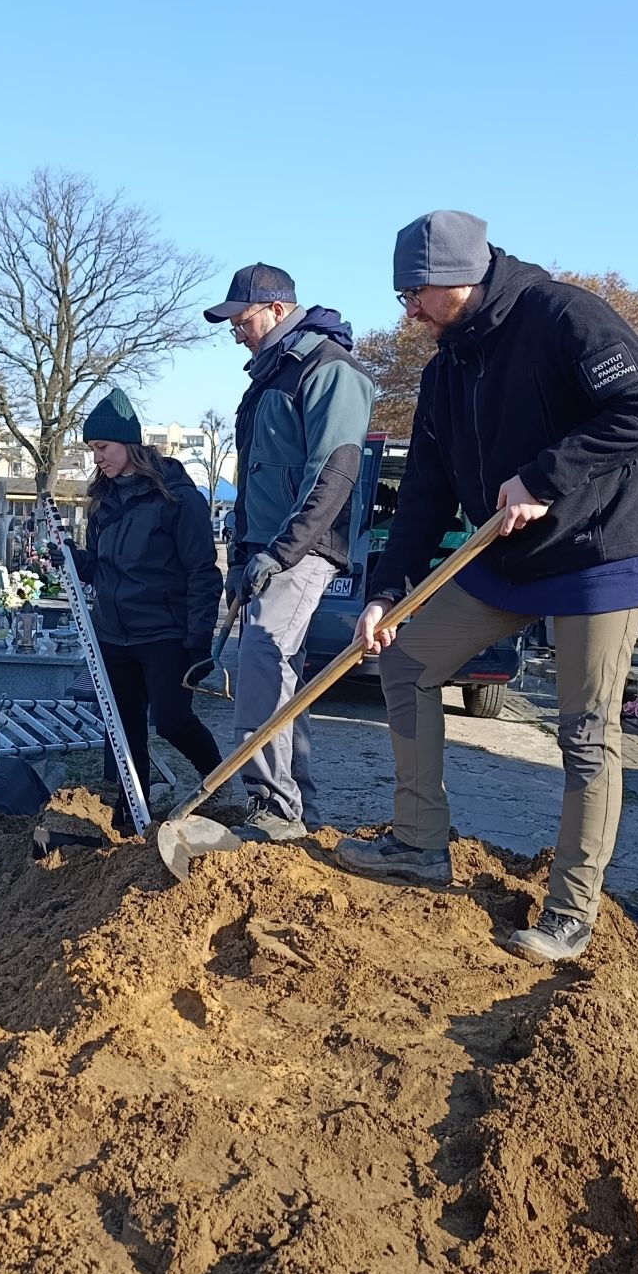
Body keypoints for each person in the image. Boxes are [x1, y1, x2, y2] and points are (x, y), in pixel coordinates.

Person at [345, 211, 638, 964]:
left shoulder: (561, 315)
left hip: (600, 556)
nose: (409, 312)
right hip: (506, 560)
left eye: (417, 295)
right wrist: (386, 593)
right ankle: (418, 843)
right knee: (403, 662)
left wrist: (544, 476)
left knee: (586, 733)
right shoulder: (446, 369)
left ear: (460, 280)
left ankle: (571, 912)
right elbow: (427, 490)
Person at [204, 263, 375, 841]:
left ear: (277, 309)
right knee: (280, 679)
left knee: (262, 666)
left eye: (241, 318)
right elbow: (256, 475)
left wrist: (281, 551)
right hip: (267, 550)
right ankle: (294, 806)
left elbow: (333, 471)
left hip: (301, 551)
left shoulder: (328, 370)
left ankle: (273, 807)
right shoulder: (269, 376)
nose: (234, 331)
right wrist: (241, 553)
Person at [74, 388, 224, 814]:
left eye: (102, 446)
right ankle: (130, 810)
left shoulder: (177, 499)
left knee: (174, 720)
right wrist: (72, 559)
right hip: (113, 635)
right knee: (123, 731)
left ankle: (218, 780)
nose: (96, 457)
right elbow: (101, 567)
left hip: (163, 633)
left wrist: (199, 642)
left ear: (129, 443)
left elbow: (202, 571)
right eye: (91, 449)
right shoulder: (102, 501)